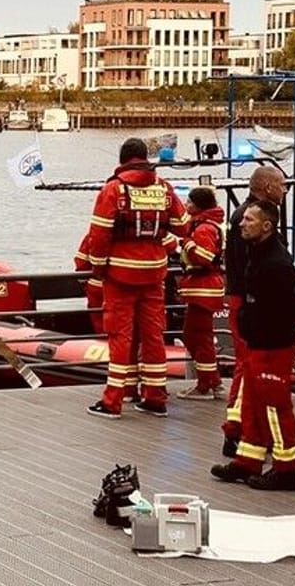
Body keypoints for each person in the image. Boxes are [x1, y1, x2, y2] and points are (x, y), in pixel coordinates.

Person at [83, 137, 190, 419]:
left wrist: (98, 268)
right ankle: (155, 397)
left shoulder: (113, 190)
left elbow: (99, 235)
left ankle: (113, 400)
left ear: (122, 160)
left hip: (119, 275)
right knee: (153, 336)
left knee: (120, 336)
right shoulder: (164, 189)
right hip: (155, 273)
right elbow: (183, 226)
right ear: (146, 158)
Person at [210, 200, 295, 492]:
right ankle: (247, 461)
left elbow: (286, 307)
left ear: (266, 226)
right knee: (251, 406)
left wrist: (271, 335)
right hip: (257, 343)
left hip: (272, 347)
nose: (241, 223)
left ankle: (287, 470)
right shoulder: (257, 254)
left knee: (275, 408)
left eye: (249, 220)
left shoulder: (276, 264)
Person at [221, 166, 287, 453]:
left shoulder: (247, 215)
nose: (285, 190)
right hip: (248, 301)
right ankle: (238, 430)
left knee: (247, 366)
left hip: (246, 299)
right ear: (268, 186)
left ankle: (240, 428)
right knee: (248, 365)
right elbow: (251, 266)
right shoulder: (250, 220)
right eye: (282, 184)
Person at [175, 186, 226, 400]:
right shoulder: (207, 225)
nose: (186, 205)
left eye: (189, 202)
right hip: (203, 288)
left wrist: (186, 244)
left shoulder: (204, 228)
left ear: (197, 205)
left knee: (196, 337)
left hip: (203, 287)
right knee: (197, 336)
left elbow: (204, 256)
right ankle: (211, 381)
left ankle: (206, 384)